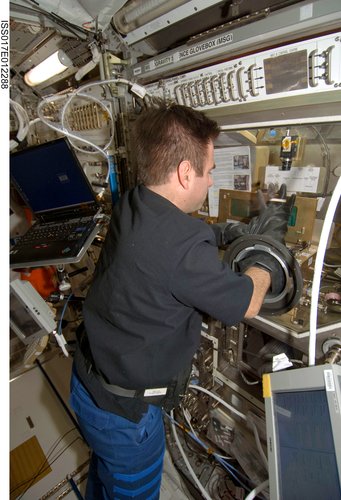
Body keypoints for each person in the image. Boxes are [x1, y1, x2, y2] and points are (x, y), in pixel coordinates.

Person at [69, 104, 293, 499]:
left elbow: (177, 237)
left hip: (87, 383)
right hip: (125, 417)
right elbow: (247, 303)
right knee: (131, 488)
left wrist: (228, 231)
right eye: (208, 171)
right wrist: (266, 252)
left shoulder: (133, 201)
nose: (209, 181)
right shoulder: (183, 249)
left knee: (104, 475)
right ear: (185, 173)